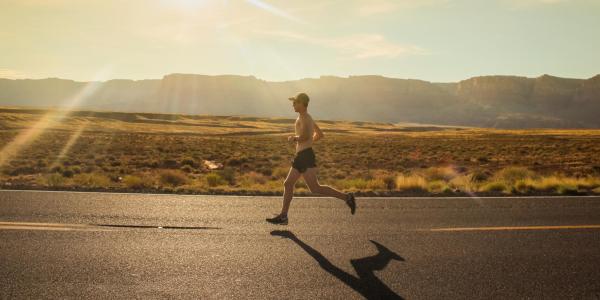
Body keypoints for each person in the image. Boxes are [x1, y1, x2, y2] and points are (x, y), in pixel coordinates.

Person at [266, 92, 356, 225]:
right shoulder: (304, 117)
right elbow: (319, 134)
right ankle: (284, 216)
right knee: (289, 184)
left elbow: (305, 136)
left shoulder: (306, 118)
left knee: (314, 188)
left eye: (295, 102)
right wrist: (308, 143)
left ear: (302, 104)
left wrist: (294, 138)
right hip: (302, 155)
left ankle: (347, 197)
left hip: (305, 157)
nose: (293, 105)